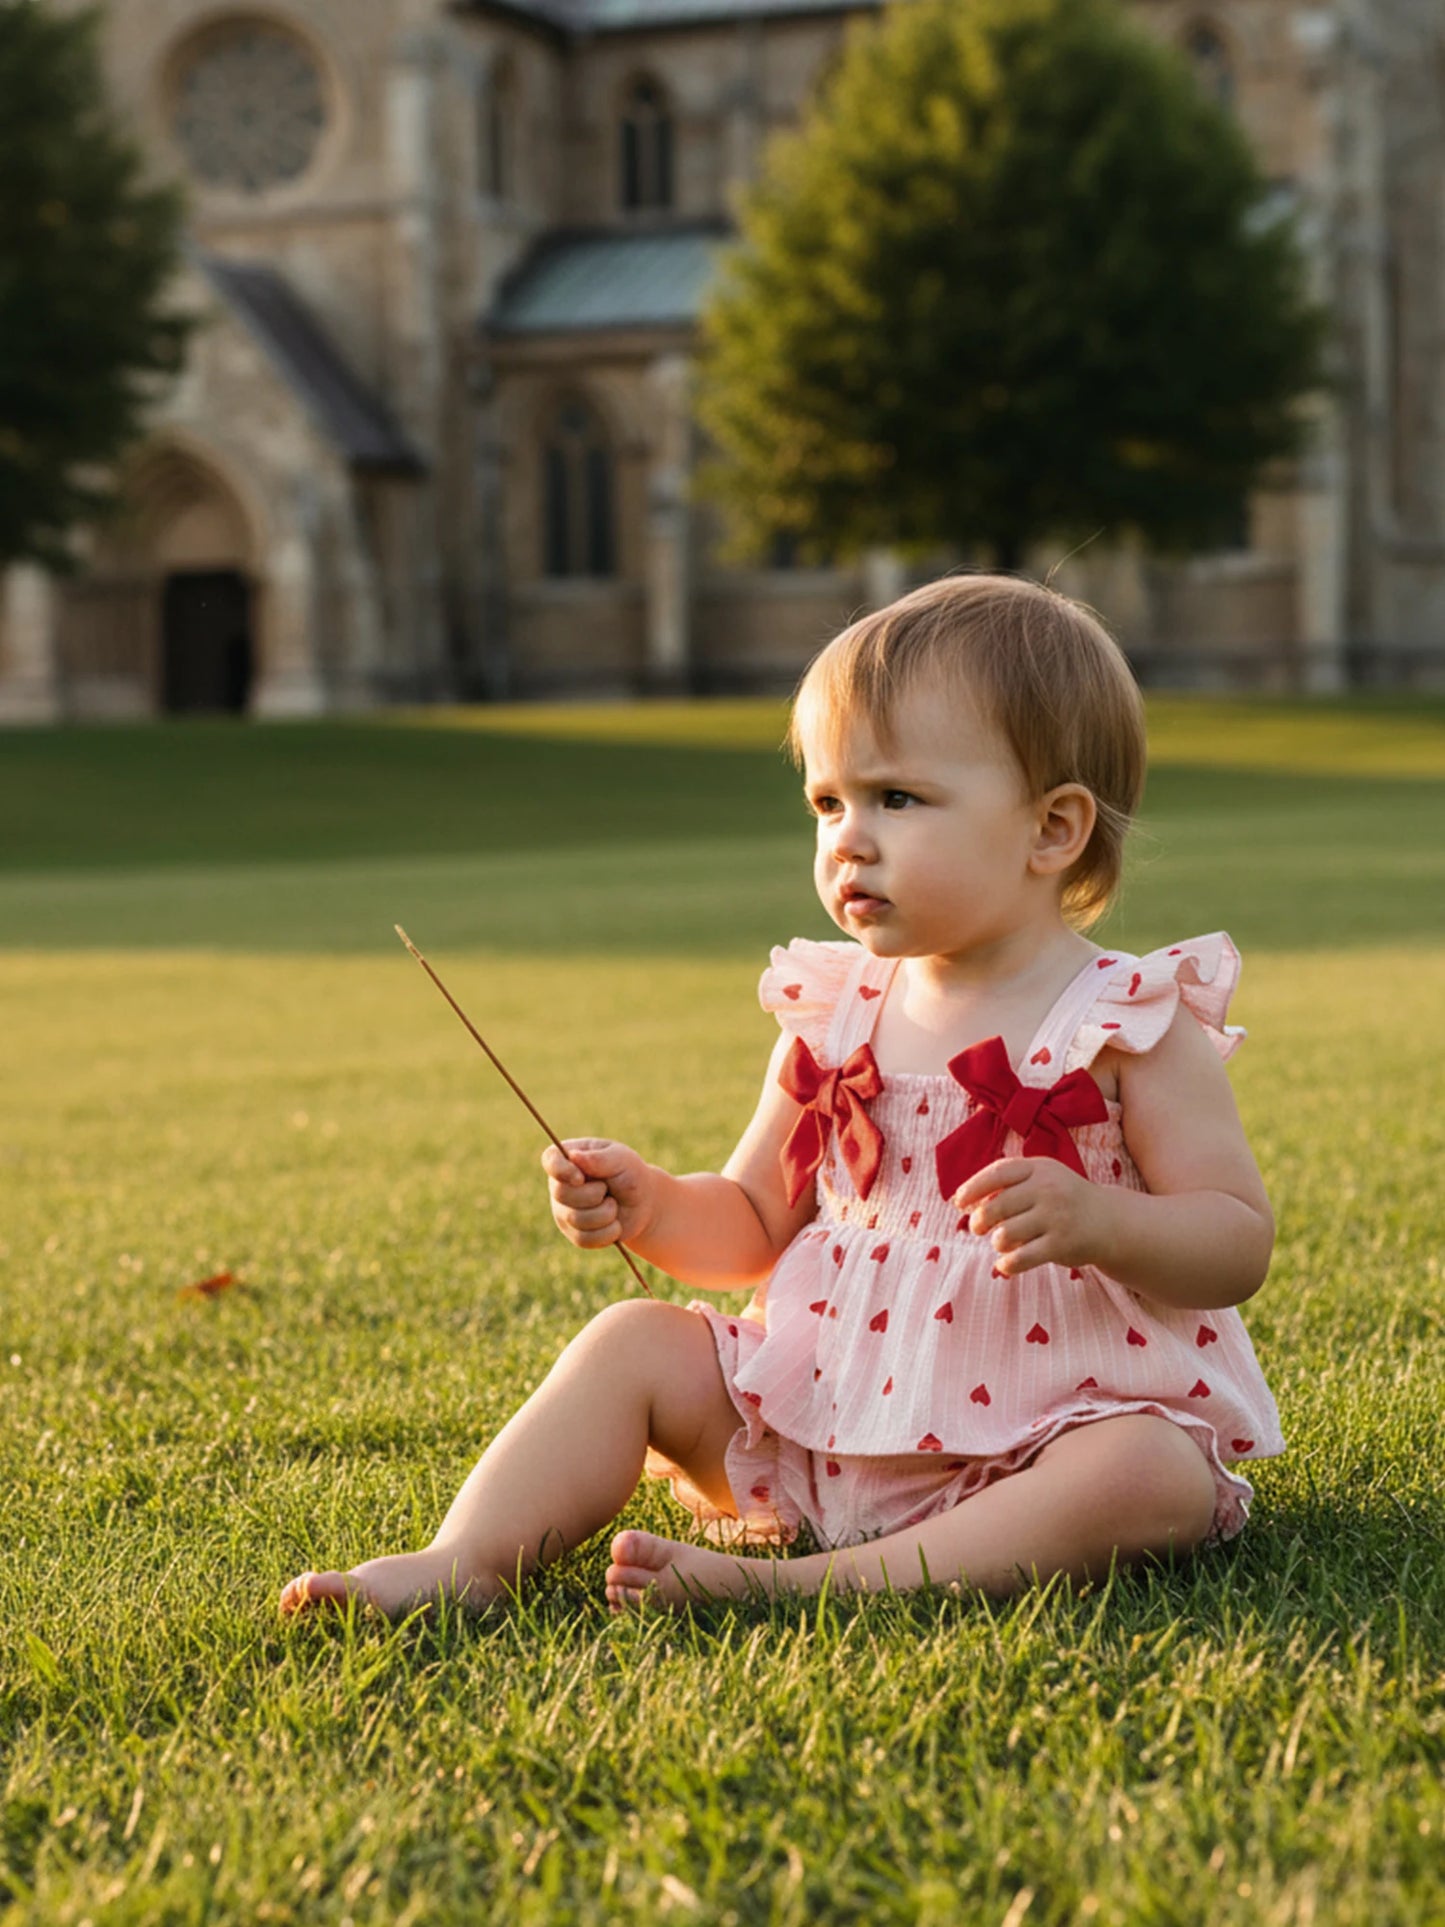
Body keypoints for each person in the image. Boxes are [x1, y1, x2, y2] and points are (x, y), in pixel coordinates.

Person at [280, 573, 1282, 1620]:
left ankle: (809, 1585)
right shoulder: (833, 1011)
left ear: (1051, 829)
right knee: (634, 1338)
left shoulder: (1122, 1022)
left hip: (1041, 1441)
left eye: (896, 797)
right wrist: (653, 1204)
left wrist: (1102, 1219)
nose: (846, 837)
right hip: (816, 1424)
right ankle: (464, 1557)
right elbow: (755, 1222)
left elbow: (1233, 1240)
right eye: (825, 801)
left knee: (1148, 1471)